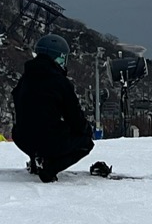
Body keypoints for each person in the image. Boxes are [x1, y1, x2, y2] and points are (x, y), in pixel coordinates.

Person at [11, 34, 97, 182]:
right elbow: (74, 117)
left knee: (36, 129)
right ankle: (50, 168)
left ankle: (36, 161)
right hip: (48, 140)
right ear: (57, 57)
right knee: (85, 142)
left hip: (21, 137)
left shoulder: (25, 79)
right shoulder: (60, 82)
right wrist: (86, 130)